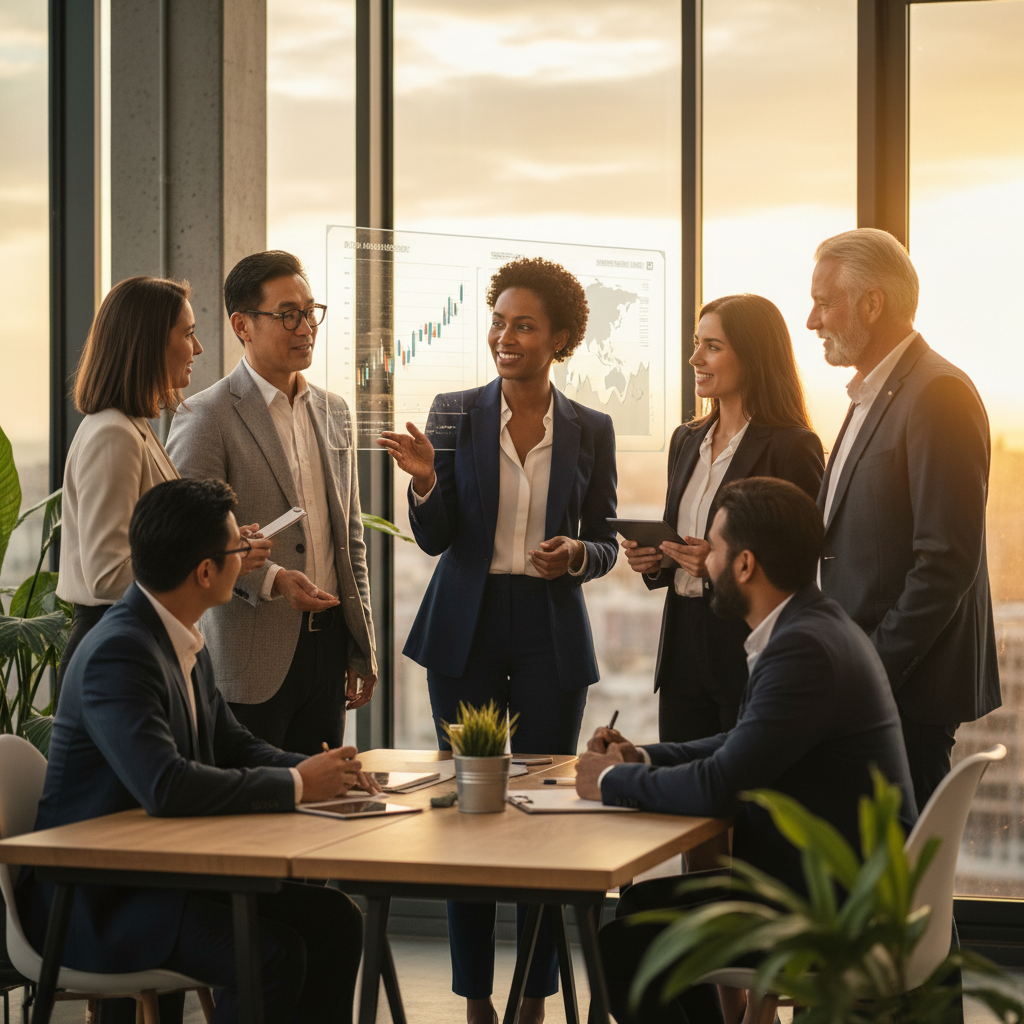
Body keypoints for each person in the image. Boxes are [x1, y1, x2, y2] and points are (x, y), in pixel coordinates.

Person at [18, 478, 379, 1023]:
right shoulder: (120, 653)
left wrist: (317, 771)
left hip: (160, 875)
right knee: (273, 955)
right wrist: (301, 786)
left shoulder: (175, 632)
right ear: (205, 572)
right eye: (239, 549)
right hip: (100, 900)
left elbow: (230, 742)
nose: (248, 559)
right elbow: (167, 786)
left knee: (336, 920)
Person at [576, 477, 917, 1024]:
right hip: (822, 882)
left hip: (831, 908)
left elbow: (720, 784)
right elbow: (741, 744)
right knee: (641, 909)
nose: (704, 559)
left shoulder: (803, 649)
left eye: (713, 546)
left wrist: (608, 782)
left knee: (621, 951)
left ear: (745, 565)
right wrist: (642, 758)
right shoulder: (810, 626)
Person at [378, 256, 618, 1024]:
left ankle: (535, 995)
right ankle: (475, 995)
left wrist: (577, 556)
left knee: (545, 811)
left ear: (561, 339)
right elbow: (436, 537)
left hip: (549, 628)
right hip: (466, 627)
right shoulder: (453, 412)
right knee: (470, 811)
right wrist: (423, 481)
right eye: (498, 322)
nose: (504, 337)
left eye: (523, 326)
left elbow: (607, 538)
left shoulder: (591, 428)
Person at [808, 228, 999, 811]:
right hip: (868, 684)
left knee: (898, 887)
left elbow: (946, 563)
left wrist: (872, 671)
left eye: (824, 301)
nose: (812, 320)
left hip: (904, 694)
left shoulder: (938, 392)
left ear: (872, 303)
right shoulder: (875, 392)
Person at [166, 250, 376, 753]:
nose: (305, 326)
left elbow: (350, 539)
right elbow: (191, 541)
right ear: (243, 324)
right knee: (255, 812)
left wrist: (359, 644)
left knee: (323, 806)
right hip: (250, 655)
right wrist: (274, 579)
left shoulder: (334, 410)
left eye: (310, 312)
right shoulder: (206, 415)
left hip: (328, 650)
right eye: (287, 314)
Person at [622, 294, 823, 746]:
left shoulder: (793, 446)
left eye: (712, 346)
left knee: (742, 797)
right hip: (680, 653)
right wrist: (658, 559)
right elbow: (683, 536)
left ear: (753, 356)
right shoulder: (686, 440)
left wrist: (715, 564)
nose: (695, 358)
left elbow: (801, 562)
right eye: (697, 343)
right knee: (682, 795)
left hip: (745, 650)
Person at [56, 276, 270, 697]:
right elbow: (106, 575)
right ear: (150, 343)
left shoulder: (132, 426)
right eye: (188, 334)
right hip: (115, 650)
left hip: (133, 640)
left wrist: (219, 548)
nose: (199, 349)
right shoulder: (112, 434)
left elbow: (149, 549)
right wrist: (210, 562)